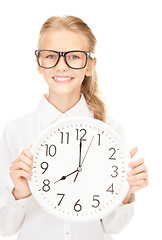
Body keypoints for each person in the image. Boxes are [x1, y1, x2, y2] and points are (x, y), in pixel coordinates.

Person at [0, 15, 148, 240]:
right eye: (50, 56)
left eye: (74, 57)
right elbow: (4, 228)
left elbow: (113, 227)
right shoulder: (16, 130)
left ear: (90, 66)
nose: (61, 66)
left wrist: (127, 191)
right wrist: (20, 193)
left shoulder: (109, 129)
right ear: (39, 64)